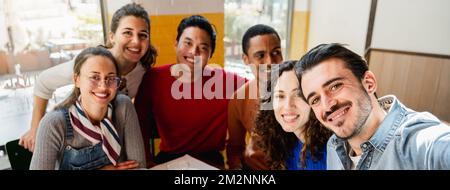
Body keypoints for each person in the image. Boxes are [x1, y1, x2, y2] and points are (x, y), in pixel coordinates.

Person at [20, 3, 157, 152]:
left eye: (143, 35)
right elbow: (43, 82)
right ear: (112, 36)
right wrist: (35, 128)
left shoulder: (142, 70)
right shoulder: (92, 61)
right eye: (127, 33)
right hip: (74, 138)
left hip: (105, 139)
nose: (136, 41)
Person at [296, 43, 450, 170]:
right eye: (315, 100)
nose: (327, 105)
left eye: (335, 86)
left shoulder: (417, 143)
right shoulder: (334, 146)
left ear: (369, 83)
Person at [135, 15, 245, 168]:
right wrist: (146, 161)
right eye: (188, 43)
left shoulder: (226, 82)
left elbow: (259, 88)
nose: (194, 52)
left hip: (210, 161)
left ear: (210, 54)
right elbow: (139, 125)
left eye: (203, 47)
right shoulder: (153, 78)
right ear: (175, 44)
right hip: (168, 161)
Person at [30, 47, 146, 170]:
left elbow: (140, 166)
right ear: (77, 80)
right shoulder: (53, 124)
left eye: (111, 78)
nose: (103, 86)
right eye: (94, 77)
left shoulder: (124, 106)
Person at [253, 61, 331, 170]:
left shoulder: (333, 150)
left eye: (298, 95)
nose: (288, 105)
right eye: (280, 96)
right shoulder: (286, 144)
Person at [226, 24, 283, 170]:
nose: (270, 62)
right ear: (246, 59)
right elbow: (235, 149)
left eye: (276, 52)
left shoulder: (301, 88)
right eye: (260, 55)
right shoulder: (239, 98)